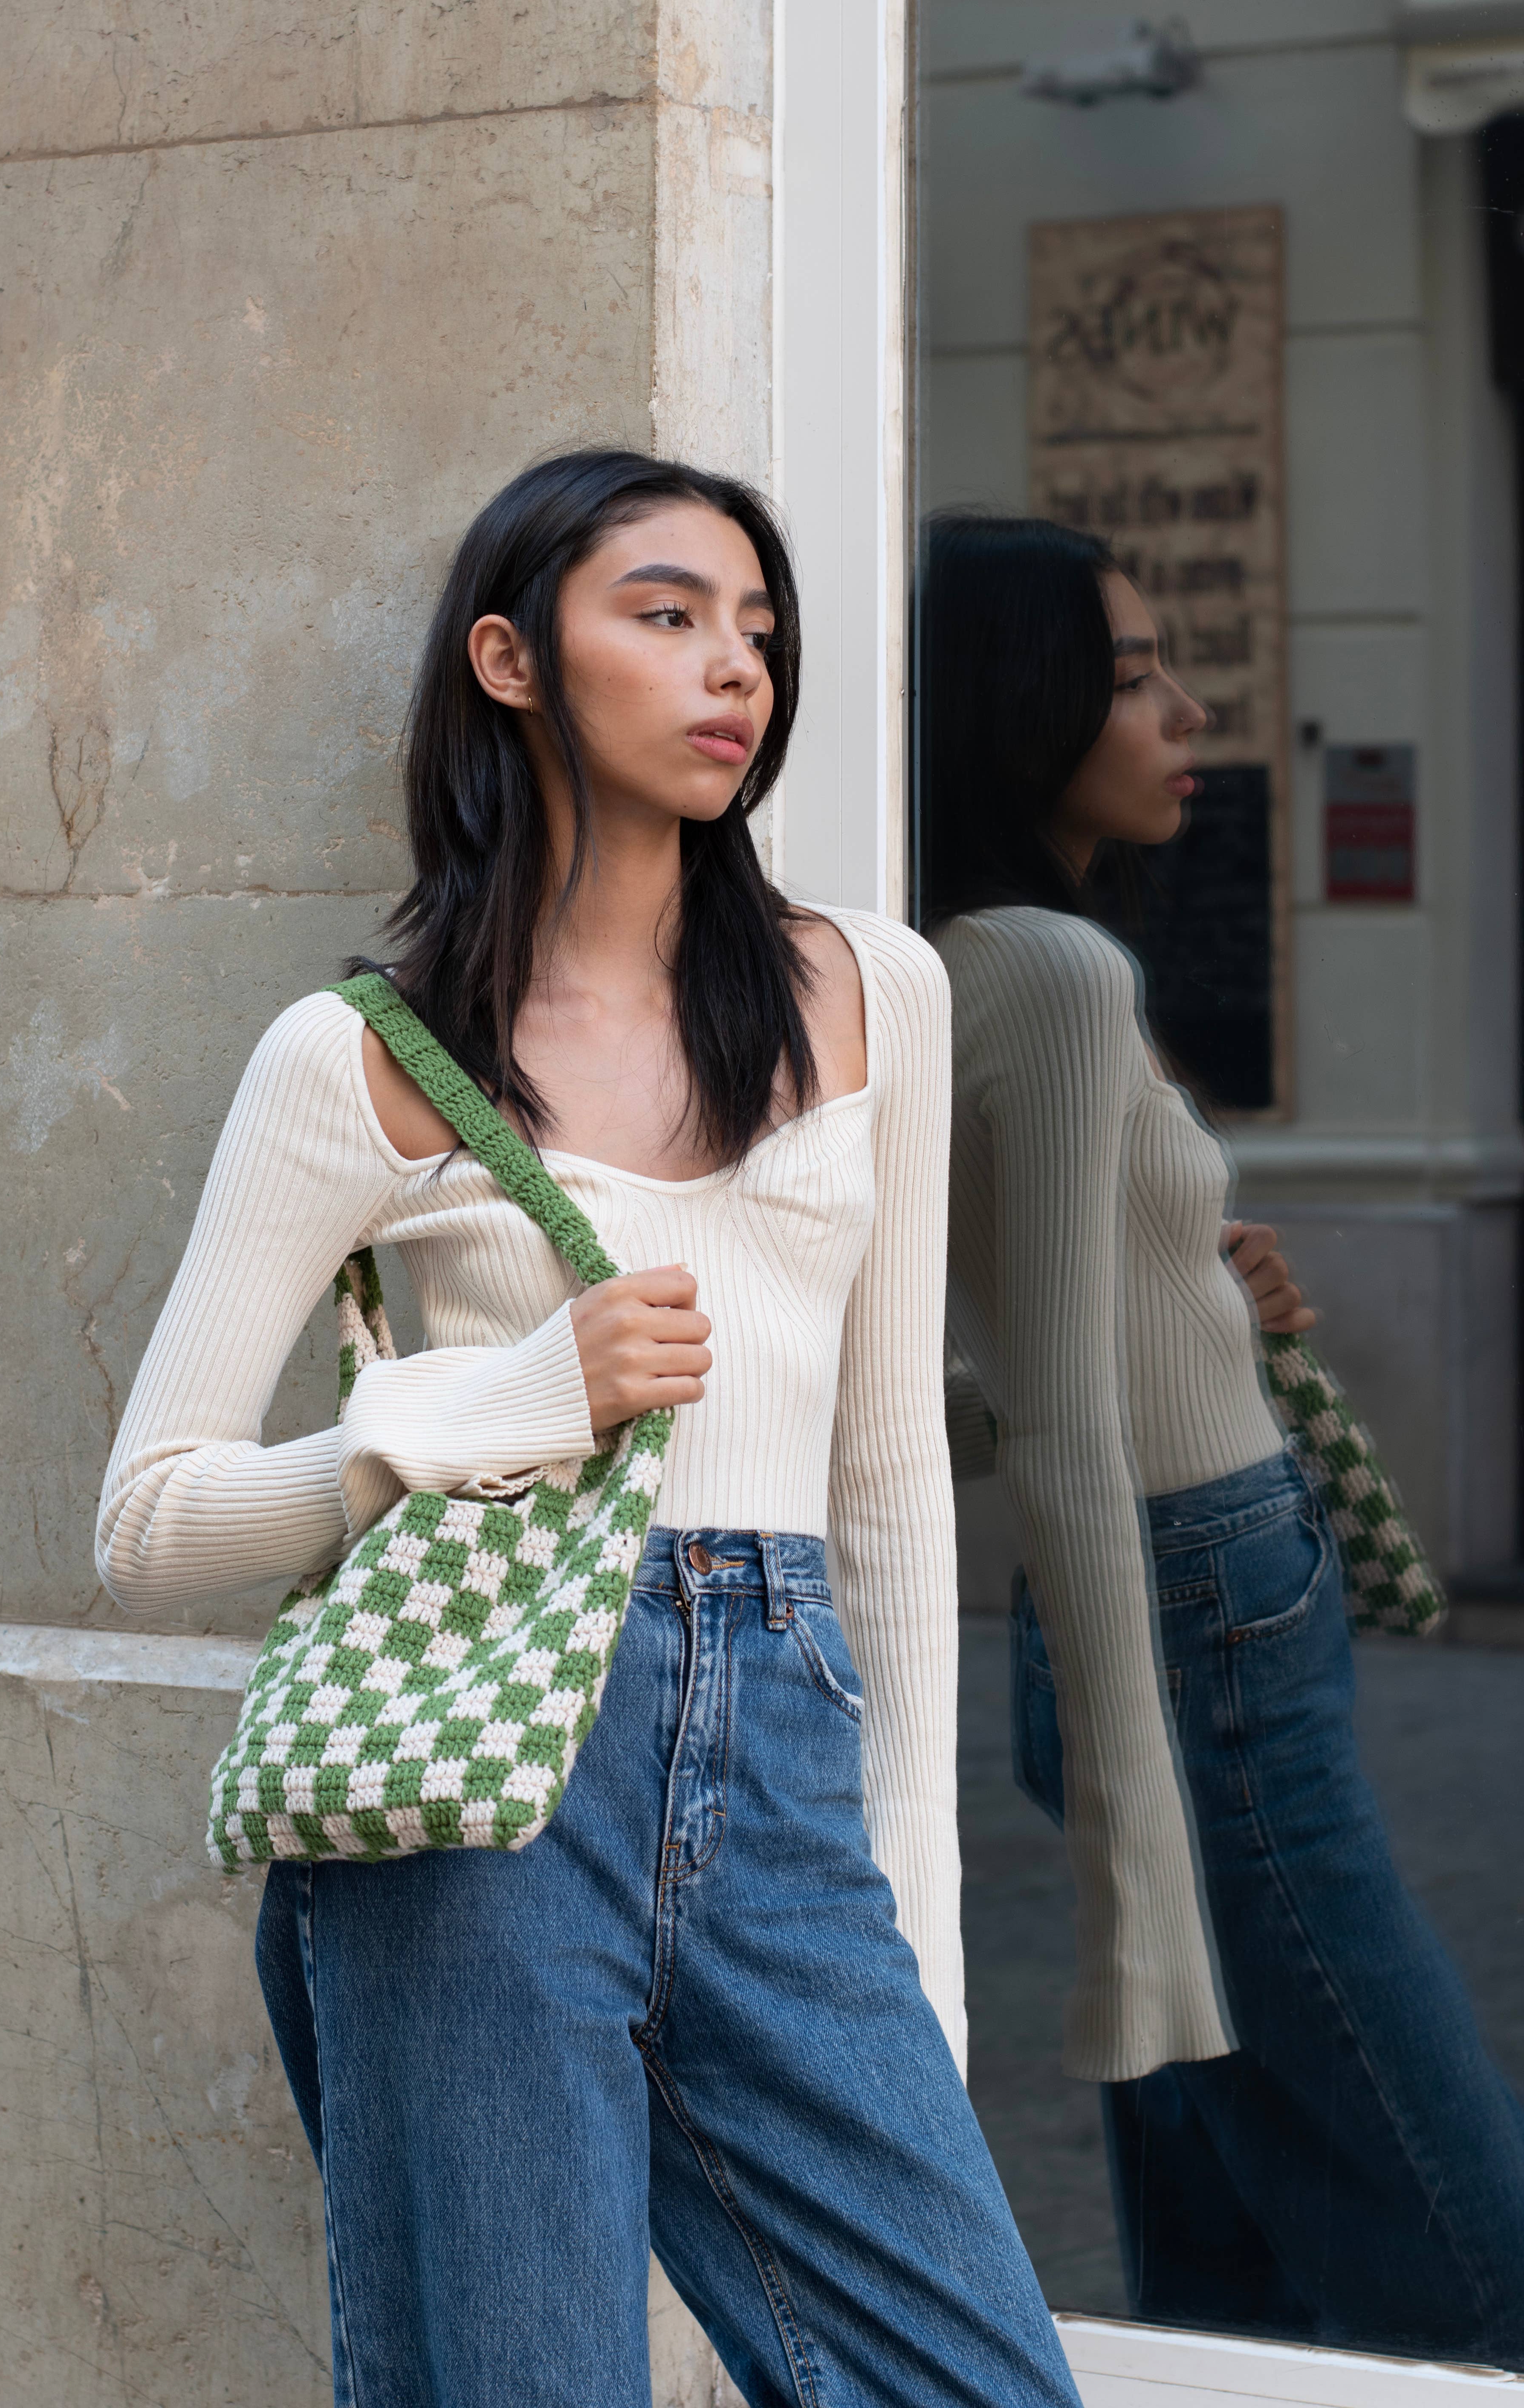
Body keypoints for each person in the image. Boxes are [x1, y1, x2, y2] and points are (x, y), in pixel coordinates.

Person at [97, 453, 1081, 2408]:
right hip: (481, 1807)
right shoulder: (361, 1055)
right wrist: (486, 1410)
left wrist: (923, 1967)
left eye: (757, 631)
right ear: (511, 659)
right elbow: (145, 1524)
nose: (733, 670)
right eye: (666, 615)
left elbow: (888, 1497)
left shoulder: (868, 990)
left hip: (783, 1765)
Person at [920, 511, 1524, 2367]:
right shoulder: (1045, 971)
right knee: (1448, 2218)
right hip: (1187, 1610)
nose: (1188, 712)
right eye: (1128, 674)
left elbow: (983, 1343)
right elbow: (1061, 1433)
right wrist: (1127, 1823)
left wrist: (1182, 1272)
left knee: (1223, 2236)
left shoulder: (968, 958)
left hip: (1167, 1611)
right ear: (1018, 711)